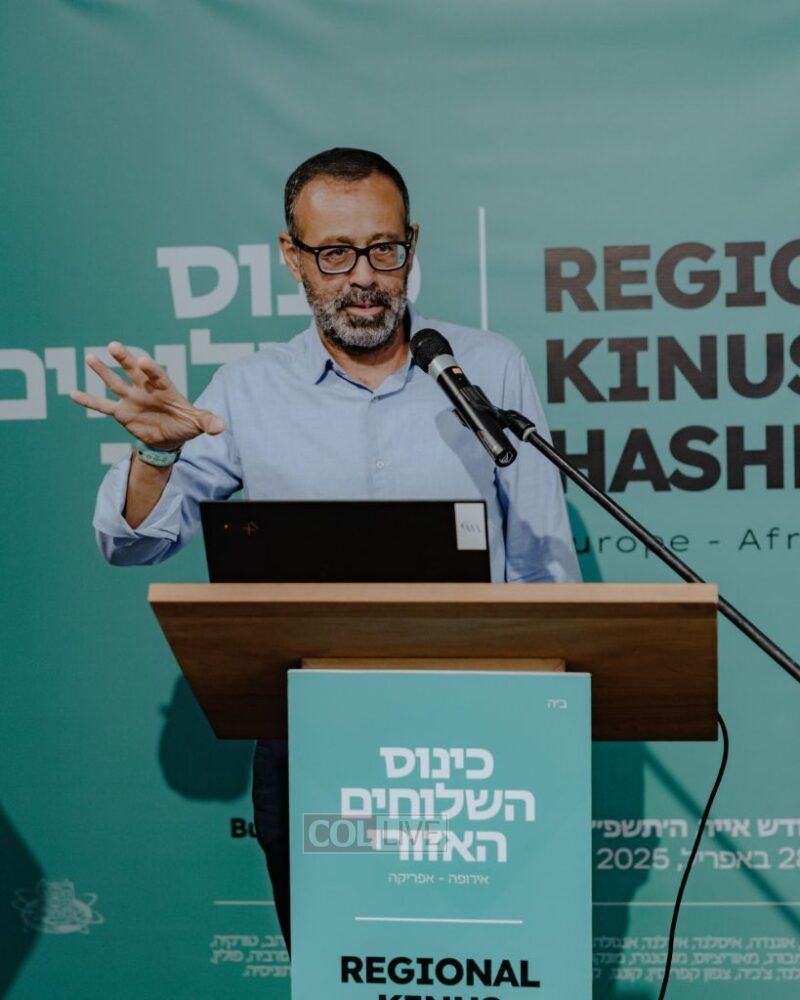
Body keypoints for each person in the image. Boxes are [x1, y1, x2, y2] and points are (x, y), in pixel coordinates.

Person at [71, 147, 580, 950]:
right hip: (311, 751)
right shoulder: (248, 389)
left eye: (384, 250)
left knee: (494, 972)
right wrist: (155, 454)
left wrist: (539, 739)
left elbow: (544, 570)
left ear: (413, 243)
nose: (364, 278)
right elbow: (130, 545)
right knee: (341, 973)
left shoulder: (488, 368)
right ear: (292, 255)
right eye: (335, 254)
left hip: (478, 754)